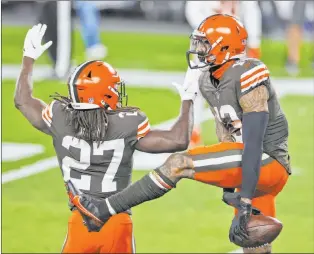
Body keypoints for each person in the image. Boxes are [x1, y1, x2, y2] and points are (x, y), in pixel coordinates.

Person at [67, 14, 291, 254]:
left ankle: (102, 211)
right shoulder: (207, 81)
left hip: (266, 162)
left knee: (178, 163)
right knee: (255, 244)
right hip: (245, 167)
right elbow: (225, 138)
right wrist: (229, 189)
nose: (198, 48)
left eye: (205, 43)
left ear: (225, 47)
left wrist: (245, 196)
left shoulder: (249, 71)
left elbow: (254, 141)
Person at [15, 23, 200, 253]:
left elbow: (23, 100)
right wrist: (188, 98)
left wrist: (28, 59)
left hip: (80, 223)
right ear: (102, 94)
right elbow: (178, 139)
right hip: (116, 222)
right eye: (112, 88)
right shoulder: (127, 122)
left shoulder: (59, 117)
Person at [185, 0, 263, 147]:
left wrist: (254, 41)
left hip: (230, 43)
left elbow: (251, 9)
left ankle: (240, 133)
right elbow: (192, 9)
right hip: (211, 42)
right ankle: (194, 131)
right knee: (196, 85)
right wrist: (208, 31)